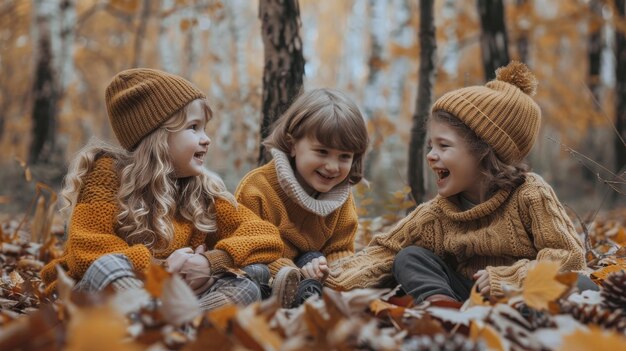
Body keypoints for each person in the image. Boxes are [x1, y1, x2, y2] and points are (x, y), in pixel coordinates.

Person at [326, 61, 591, 304]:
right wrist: (326, 282)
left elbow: (569, 255)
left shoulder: (531, 194)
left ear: (484, 152)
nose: (431, 155)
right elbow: (384, 252)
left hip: (522, 294)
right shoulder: (437, 213)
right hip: (464, 297)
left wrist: (510, 278)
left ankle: (526, 318)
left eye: (443, 145)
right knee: (409, 258)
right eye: (431, 145)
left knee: (581, 284)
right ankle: (443, 310)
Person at [40, 68, 283, 310]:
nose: (206, 138)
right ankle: (157, 319)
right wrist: (163, 269)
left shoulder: (200, 192)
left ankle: (176, 326)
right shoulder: (106, 176)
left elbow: (265, 235)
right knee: (108, 265)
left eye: (205, 128)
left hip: (172, 298)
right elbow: (88, 250)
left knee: (248, 282)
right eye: (194, 127)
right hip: (103, 293)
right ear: (157, 137)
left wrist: (208, 262)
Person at [235, 88, 369, 308]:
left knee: (317, 258)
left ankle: (309, 300)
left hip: (309, 275)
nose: (332, 167)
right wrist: (292, 273)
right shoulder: (258, 188)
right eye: (322, 152)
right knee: (253, 274)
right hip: (266, 269)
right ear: (292, 145)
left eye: (344, 156)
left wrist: (326, 271)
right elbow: (251, 247)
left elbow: (340, 249)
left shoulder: (340, 198)